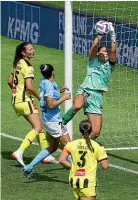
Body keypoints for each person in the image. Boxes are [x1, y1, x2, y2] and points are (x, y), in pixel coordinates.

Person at [62, 22, 116, 139]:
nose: (105, 52)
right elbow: (94, 46)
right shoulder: (92, 61)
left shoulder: (110, 65)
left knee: (95, 132)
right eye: (103, 50)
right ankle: (61, 124)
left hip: (97, 96)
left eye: (106, 51)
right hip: (85, 90)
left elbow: (114, 52)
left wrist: (112, 35)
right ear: (97, 54)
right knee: (77, 106)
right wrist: (100, 35)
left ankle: (82, 144)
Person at [7, 42, 57, 167]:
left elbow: (9, 81)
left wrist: (16, 91)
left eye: (32, 48)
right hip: (25, 101)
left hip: (16, 101)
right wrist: (40, 97)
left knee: (38, 125)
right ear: (24, 52)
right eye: (30, 49)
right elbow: (29, 87)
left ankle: (47, 155)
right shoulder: (28, 67)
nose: (33, 50)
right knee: (37, 127)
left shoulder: (17, 63)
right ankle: (19, 152)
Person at [23, 64, 71, 178]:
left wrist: (58, 92)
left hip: (47, 120)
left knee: (53, 147)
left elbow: (47, 97)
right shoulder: (48, 85)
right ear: (53, 72)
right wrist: (64, 98)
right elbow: (51, 105)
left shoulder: (43, 81)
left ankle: (29, 167)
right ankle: (79, 171)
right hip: (54, 121)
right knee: (69, 146)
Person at [59, 119, 108, 200]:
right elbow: (105, 166)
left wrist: (73, 166)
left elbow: (61, 160)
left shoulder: (71, 144)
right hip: (88, 182)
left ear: (80, 130)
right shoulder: (96, 146)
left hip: (74, 180)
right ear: (91, 130)